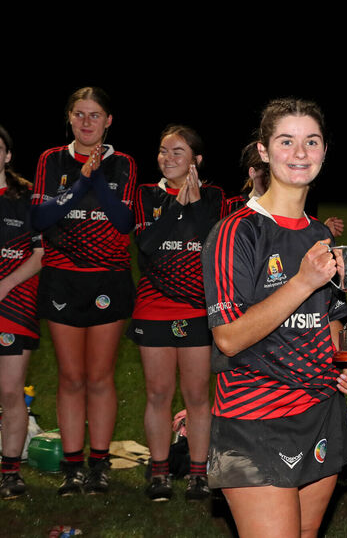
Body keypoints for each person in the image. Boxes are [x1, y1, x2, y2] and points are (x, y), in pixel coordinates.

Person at [202, 98, 347, 537]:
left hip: (320, 413)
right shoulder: (236, 231)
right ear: (264, 151)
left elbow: (328, 324)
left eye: (311, 141)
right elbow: (229, 338)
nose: (299, 153)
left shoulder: (319, 235)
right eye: (286, 141)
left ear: (324, 151)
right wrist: (301, 282)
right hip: (255, 419)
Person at [31, 87, 137, 496]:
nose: (87, 122)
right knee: (71, 377)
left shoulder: (123, 163)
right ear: (70, 118)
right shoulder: (51, 159)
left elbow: (124, 222)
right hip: (62, 277)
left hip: (107, 279)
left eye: (95, 115)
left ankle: (99, 464)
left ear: (108, 121)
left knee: (99, 376)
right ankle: (73, 467)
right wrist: (80, 184)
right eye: (80, 114)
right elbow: (40, 215)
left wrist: (98, 182)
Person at [128, 125, 225, 501]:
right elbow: (147, 244)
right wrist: (177, 206)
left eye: (178, 152)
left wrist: (196, 202)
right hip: (153, 307)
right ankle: (159, 472)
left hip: (197, 309)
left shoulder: (215, 197)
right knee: (158, 392)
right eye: (163, 151)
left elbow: (210, 243)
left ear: (196, 161)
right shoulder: (145, 194)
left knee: (198, 395)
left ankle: (199, 473)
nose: (168, 158)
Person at [0, 125, 43, 500]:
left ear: (7, 155)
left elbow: (41, 255)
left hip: (12, 306)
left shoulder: (27, 198)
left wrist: (4, 285)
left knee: (10, 390)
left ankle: (11, 471)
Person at [228, 141, 345, 237]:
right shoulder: (230, 208)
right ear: (252, 172)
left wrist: (322, 232)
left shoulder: (294, 209)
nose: (271, 180)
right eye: (266, 172)